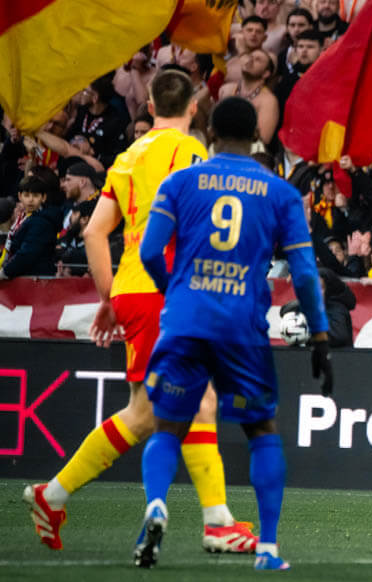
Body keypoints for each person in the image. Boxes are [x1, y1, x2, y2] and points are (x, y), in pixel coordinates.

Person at [21, 70, 257, 554]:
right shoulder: (190, 151)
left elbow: (94, 232)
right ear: (194, 107)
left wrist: (109, 298)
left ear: (149, 107)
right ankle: (217, 523)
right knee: (198, 399)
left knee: (145, 411)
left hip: (132, 288)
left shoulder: (127, 157)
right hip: (167, 287)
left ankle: (53, 494)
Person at [132, 97, 334, 570]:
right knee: (261, 429)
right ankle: (267, 549)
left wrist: (174, 291)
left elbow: (149, 251)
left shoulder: (179, 182)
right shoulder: (280, 192)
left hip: (186, 320)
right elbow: (305, 273)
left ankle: (157, 505)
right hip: (242, 328)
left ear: (210, 133)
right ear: (256, 136)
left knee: (168, 425)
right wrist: (320, 334)